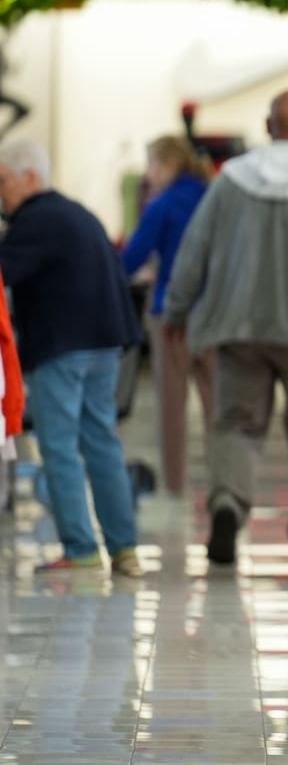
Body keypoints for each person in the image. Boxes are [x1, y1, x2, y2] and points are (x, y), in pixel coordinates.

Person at [163, 90, 288, 565]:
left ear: (268, 128)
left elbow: (194, 249)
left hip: (238, 328)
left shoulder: (231, 181)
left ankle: (228, 503)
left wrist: (177, 310)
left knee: (236, 427)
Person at [0, 139, 144, 576]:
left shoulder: (34, 220)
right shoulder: (77, 213)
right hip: (106, 345)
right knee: (101, 442)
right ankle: (125, 549)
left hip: (62, 348)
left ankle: (80, 548)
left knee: (59, 446)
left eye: (3, 180)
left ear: (30, 176)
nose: (1, 192)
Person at [121, 135, 215, 499]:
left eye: (152, 165)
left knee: (172, 409)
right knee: (216, 407)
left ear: (168, 164)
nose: (149, 174)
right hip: (212, 315)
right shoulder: (211, 196)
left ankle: (176, 487)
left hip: (171, 315)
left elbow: (132, 257)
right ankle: (221, 484)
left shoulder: (161, 204)